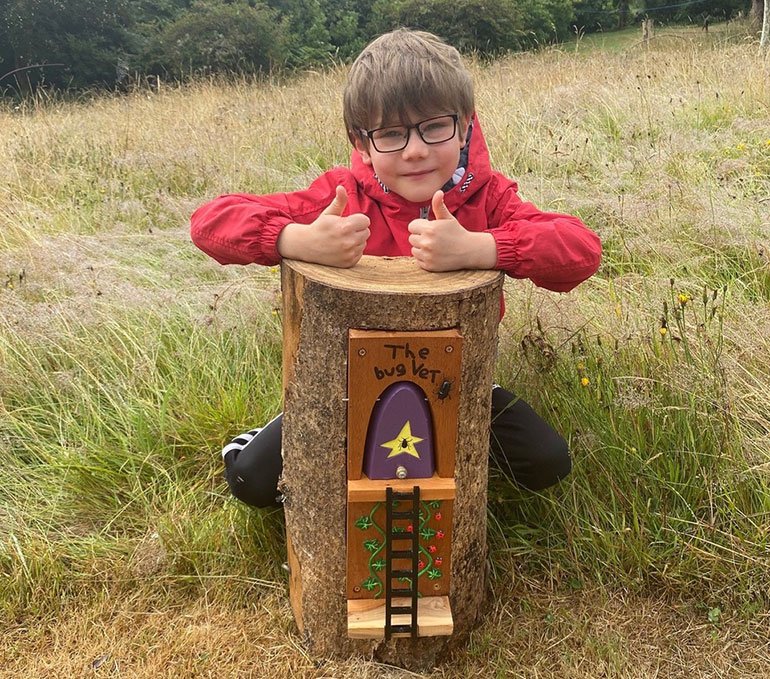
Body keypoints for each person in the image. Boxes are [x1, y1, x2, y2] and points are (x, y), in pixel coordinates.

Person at [191, 29, 601, 508]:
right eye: (390, 134)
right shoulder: (344, 196)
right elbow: (209, 221)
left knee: (546, 462)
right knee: (253, 483)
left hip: (459, 381)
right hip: (345, 384)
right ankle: (261, 438)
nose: (415, 151)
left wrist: (481, 247)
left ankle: (443, 456)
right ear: (361, 144)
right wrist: (294, 239)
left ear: (465, 124)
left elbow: (581, 250)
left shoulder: (488, 198)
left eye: (434, 127)